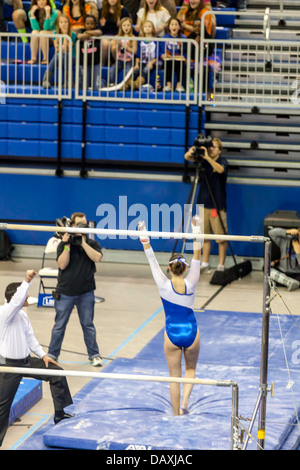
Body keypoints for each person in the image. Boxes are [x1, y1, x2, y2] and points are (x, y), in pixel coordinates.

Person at [0, 269, 73, 447]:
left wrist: (43, 355)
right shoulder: (4, 313)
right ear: (14, 297)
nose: (27, 299)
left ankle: (59, 413)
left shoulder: (23, 315)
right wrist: (26, 280)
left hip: (26, 361)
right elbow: (17, 301)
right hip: (10, 367)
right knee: (2, 408)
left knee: (56, 373)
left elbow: (30, 338)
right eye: (25, 296)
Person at [138, 215, 201, 416]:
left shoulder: (164, 285)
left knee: (175, 376)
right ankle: (184, 403)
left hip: (172, 332)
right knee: (190, 370)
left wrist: (144, 235)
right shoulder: (191, 281)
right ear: (185, 268)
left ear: (169, 268)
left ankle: (176, 413)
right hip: (191, 331)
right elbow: (198, 254)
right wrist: (196, 229)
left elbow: (151, 259)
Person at [47, 212, 103, 367]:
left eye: (84, 225)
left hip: (86, 292)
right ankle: (52, 354)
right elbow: (62, 265)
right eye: (79, 225)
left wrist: (82, 242)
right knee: (59, 326)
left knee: (88, 325)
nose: (82, 227)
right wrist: (67, 244)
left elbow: (97, 258)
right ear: (72, 226)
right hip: (65, 292)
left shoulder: (91, 243)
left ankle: (94, 355)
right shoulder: (64, 243)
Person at [185, 137, 228, 272]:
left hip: (217, 205)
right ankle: (205, 263)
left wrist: (208, 158)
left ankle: (221, 265)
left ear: (219, 150)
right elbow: (187, 157)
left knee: (220, 238)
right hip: (203, 204)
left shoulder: (222, 161)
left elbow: (220, 170)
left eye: (213, 147)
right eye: (210, 146)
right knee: (204, 236)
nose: (210, 149)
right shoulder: (203, 161)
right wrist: (193, 149)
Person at [42, 13, 77, 88]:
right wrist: (62, 46)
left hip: (73, 57)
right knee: (58, 55)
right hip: (61, 56)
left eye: (65, 22)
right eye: (61, 22)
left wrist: (65, 35)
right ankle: (68, 81)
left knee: (61, 55)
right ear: (58, 24)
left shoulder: (73, 34)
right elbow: (57, 49)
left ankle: (46, 79)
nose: (63, 24)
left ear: (68, 23)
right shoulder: (55, 34)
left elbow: (67, 49)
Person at [108, 17, 137, 89]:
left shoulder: (133, 37)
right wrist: (118, 45)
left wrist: (127, 48)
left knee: (127, 72)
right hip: (120, 59)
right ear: (121, 27)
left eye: (128, 25)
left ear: (131, 26)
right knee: (113, 70)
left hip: (129, 60)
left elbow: (135, 51)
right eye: (124, 25)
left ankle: (125, 85)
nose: (126, 27)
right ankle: (112, 84)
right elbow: (113, 49)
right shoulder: (117, 37)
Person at [98, 0, 130, 65]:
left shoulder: (123, 10)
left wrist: (120, 26)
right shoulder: (102, 10)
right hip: (106, 35)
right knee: (105, 44)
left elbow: (128, 26)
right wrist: (102, 25)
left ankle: (118, 64)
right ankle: (102, 65)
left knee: (113, 43)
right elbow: (100, 29)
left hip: (119, 35)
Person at [268, 227, 300, 291]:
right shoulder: (285, 240)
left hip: (297, 274)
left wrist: (298, 253)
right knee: (266, 268)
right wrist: (287, 231)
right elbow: (271, 233)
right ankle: (290, 282)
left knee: (272, 280)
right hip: (283, 272)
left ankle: (284, 282)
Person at [160, 17, 187, 93]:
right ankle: (168, 85)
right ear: (169, 27)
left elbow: (186, 52)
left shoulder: (184, 38)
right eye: (172, 24)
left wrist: (184, 57)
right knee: (168, 63)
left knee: (180, 64)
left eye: (176, 25)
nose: (174, 26)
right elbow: (161, 51)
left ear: (179, 27)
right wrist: (162, 55)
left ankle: (179, 85)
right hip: (168, 60)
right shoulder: (164, 38)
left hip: (179, 61)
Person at [77, 14, 102, 89]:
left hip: (95, 62)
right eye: (87, 24)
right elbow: (80, 36)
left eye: (92, 24)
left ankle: (103, 83)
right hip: (83, 62)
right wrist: (89, 34)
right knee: (84, 85)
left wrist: (87, 33)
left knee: (96, 86)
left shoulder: (97, 29)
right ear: (84, 24)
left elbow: (99, 32)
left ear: (95, 24)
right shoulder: (81, 30)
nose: (89, 26)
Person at [133, 20, 157, 90]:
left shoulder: (156, 41)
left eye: (149, 26)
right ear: (142, 29)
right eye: (145, 26)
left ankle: (137, 84)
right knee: (135, 71)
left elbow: (157, 55)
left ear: (152, 28)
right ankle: (131, 83)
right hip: (141, 62)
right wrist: (136, 64)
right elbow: (138, 55)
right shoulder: (140, 40)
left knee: (145, 70)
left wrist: (151, 63)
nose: (147, 28)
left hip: (151, 63)